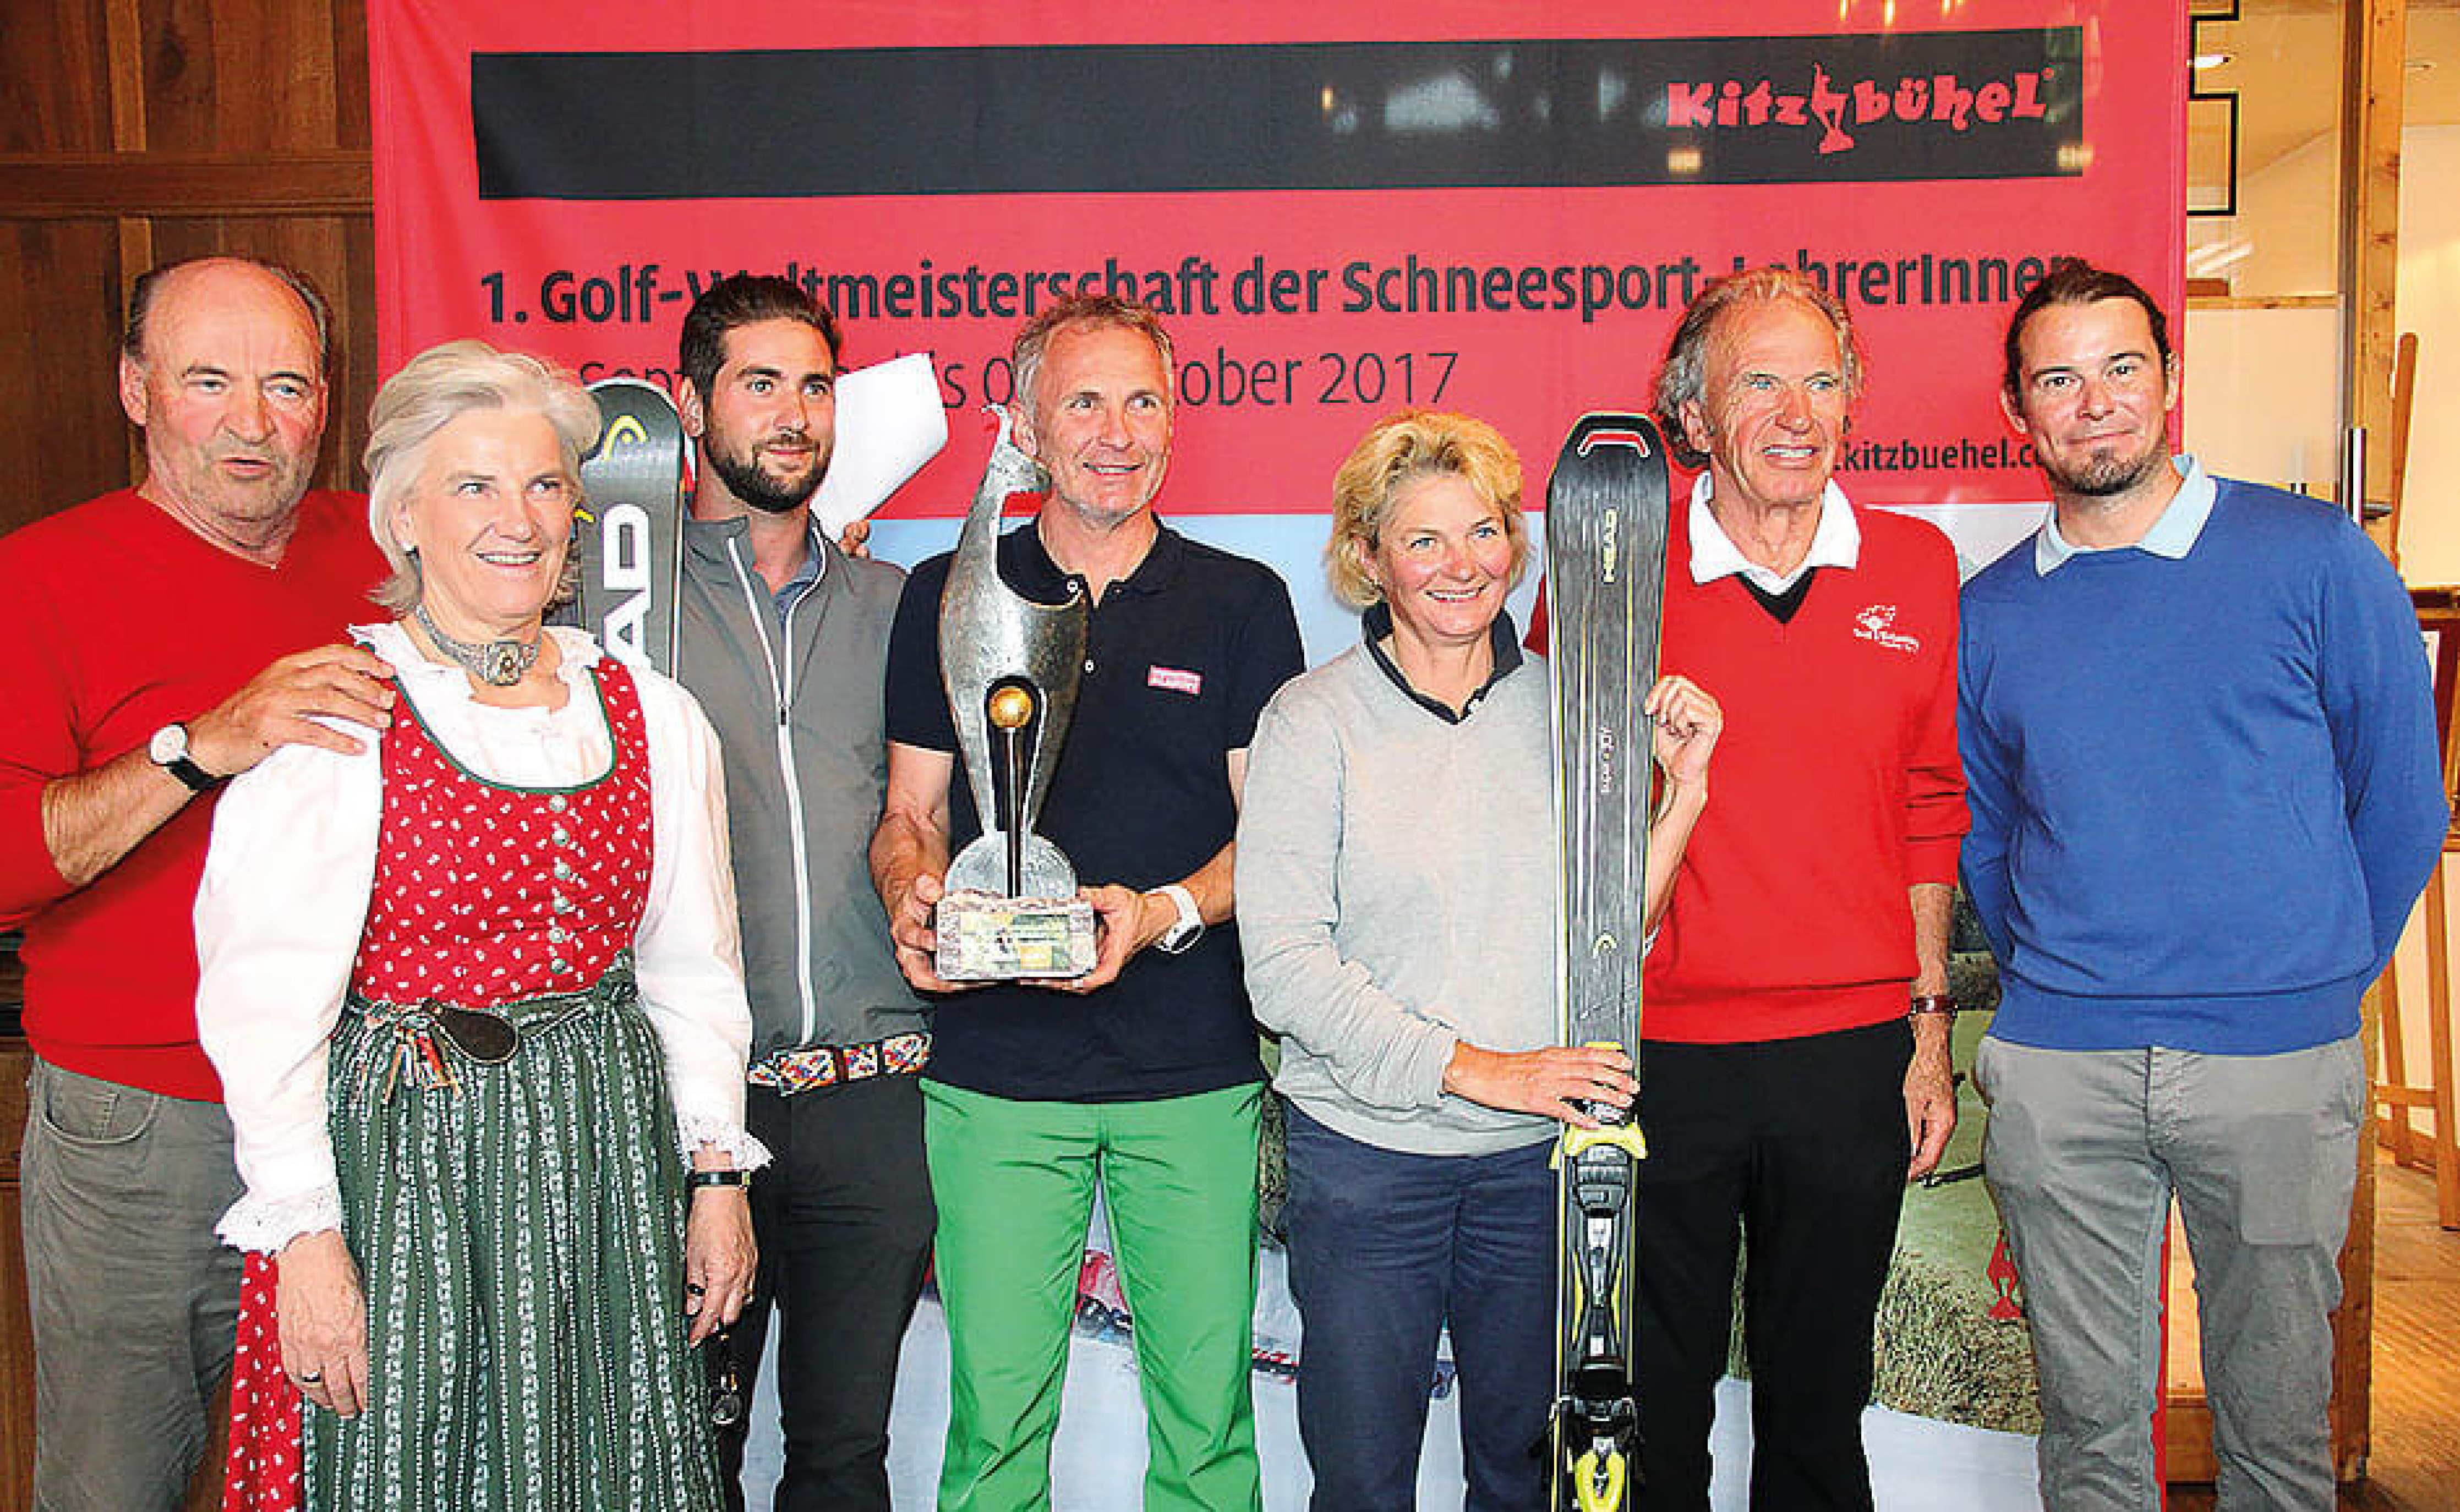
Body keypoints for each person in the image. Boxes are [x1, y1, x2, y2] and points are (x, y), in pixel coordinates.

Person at [194, 340, 766, 1512]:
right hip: (409, 1165)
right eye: (475, 486)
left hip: (605, 1152)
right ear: (403, 517)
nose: (521, 518)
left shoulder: (650, 713)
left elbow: (694, 969)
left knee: (609, 1460)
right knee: (405, 1462)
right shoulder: (340, 712)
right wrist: (306, 1239)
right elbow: (265, 1011)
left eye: (547, 484)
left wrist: (716, 1177)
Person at [1959, 259, 2446, 1512]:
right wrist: (2068, 983)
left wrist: (2315, 978)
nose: (2096, 402)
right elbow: (1992, 836)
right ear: (2018, 413)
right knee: (2088, 1439)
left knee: (2281, 1437)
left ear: (2170, 382)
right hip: (2066, 1066)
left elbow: (2399, 805)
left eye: (2123, 368)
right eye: (2058, 379)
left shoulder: (2317, 559)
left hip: (2275, 1061)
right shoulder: (1992, 614)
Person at [1237, 410, 1719, 1511]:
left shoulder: (1574, 707)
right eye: (1424, 541)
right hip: (1367, 1166)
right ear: (1368, 558)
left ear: (1518, 542)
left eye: (1485, 532)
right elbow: (1285, 970)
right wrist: (1482, 1066)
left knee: (1520, 1471)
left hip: (1533, 1172)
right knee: (1362, 1479)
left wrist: (1683, 792)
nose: (1463, 566)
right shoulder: (1312, 723)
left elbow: (1610, 942)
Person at [870, 292, 1304, 1512]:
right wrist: (916, 899)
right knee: (996, 1430)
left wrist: (1161, 910)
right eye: (1084, 401)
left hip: (1191, 1070)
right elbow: (912, 815)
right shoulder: (949, 592)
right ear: (1022, 422)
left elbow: (1269, 839)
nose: (1118, 433)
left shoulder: (1241, 602)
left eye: (1145, 400)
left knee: (1209, 1430)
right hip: (998, 1073)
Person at [0, 256, 395, 1512]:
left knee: (347, 1472)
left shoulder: (384, 552)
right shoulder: (40, 578)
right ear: (135, 390)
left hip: (361, 1116)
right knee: (122, 1480)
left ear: (325, 403)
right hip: (148, 1126)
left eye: (285, 386)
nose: (251, 423)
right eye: (208, 382)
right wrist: (198, 746)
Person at [1626, 266, 1967, 1511]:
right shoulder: (1616, 570)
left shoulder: (1921, 567)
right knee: (1652, 1404)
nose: (1796, 411)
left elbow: (1935, 801)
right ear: (1696, 417)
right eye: (1759, 381)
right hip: (1662, 1051)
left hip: (1849, 1053)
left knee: (1821, 1403)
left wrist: (1929, 1033)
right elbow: (1564, 822)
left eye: (1821, 381)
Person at [670, 273, 932, 1512]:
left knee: (842, 1461)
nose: (793, 414)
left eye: (816, 386)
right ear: (689, 403)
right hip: (680, 1111)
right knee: (678, 1458)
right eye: (759, 383)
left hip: (871, 1102)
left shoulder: (903, 607)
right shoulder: (610, 601)